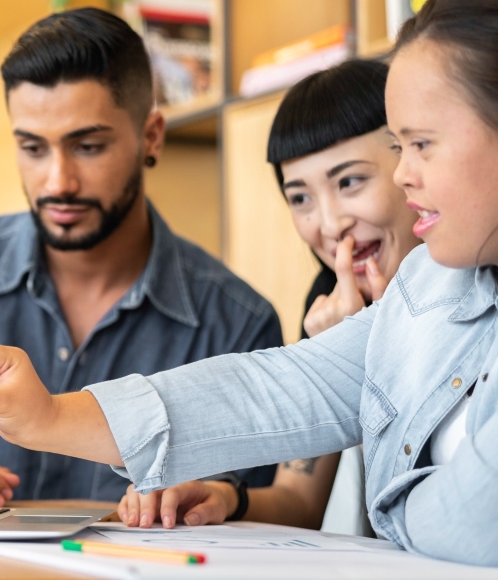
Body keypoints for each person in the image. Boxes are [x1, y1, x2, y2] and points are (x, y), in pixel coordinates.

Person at [0, 0, 498, 569]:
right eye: (399, 145)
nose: (404, 173)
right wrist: (52, 415)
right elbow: (281, 386)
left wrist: (391, 506)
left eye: (421, 145)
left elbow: (492, 522)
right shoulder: (443, 279)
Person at [0, 7, 293, 508]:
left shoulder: (237, 327)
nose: (57, 182)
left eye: (87, 146)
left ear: (151, 136)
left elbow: (250, 522)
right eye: (32, 148)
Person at [118, 60, 423, 531]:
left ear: (412, 163)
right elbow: (299, 501)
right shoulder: (329, 304)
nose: (328, 224)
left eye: (349, 182)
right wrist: (225, 497)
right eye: (300, 197)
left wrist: (377, 353)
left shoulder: (473, 285)